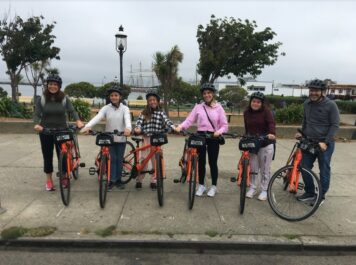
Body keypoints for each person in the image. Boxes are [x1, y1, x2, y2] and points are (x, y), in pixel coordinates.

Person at [175, 83, 228, 197]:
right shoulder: (198, 107)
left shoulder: (219, 107)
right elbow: (189, 120)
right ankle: (202, 185)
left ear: (213, 94)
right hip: (200, 136)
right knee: (201, 162)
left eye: (209, 93)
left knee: (212, 162)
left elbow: (224, 125)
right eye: (204, 93)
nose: (206, 95)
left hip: (213, 136)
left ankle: (213, 186)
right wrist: (181, 127)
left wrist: (219, 131)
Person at [34, 75, 84, 191]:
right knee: (47, 156)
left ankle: (64, 176)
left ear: (59, 86)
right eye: (50, 84)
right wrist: (37, 124)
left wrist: (78, 121)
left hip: (62, 130)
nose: (52, 86)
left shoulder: (64, 98)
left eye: (55, 84)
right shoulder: (42, 98)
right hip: (46, 131)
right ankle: (49, 180)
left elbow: (72, 111)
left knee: (63, 155)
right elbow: (36, 114)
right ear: (47, 85)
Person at [296, 79, 340, 205]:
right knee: (304, 167)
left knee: (324, 170)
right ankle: (309, 192)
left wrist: (326, 142)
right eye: (311, 90)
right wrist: (302, 133)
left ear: (322, 92)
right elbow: (306, 121)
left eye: (316, 90)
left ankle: (321, 195)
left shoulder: (331, 105)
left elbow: (335, 125)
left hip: (324, 144)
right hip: (309, 141)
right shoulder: (307, 104)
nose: (313, 93)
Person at [81, 86, 132, 191]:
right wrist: (88, 126)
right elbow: (98, 117)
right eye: (112, 95)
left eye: (116, 95)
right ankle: (112, 180)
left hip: (121, 138)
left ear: (120, 97)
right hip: (109, 139)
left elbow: (127, 119)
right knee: (112, 160)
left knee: (119, 160)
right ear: (110, 97)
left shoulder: (125, 108)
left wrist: (128, 128)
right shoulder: (106, 108)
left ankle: (118, 180)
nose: (114, 97)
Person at [134, 90, 175, 190]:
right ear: (147, 102)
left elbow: (167, 121)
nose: (152, 102)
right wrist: (138, 128)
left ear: (158, 101)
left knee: (156, 161)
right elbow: (138, 123)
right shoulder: (144, 113)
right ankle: (139, 179)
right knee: (144, 160)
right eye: (150, 100)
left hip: (157, 139)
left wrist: (173, 127)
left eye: (154, 100)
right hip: (146, 139)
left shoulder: (161, 112)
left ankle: (154, 180)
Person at [244, 92, 276, 201]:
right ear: (250, 102)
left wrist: (271, 133)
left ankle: (264, 189)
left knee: (264, 169)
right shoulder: (246, 112)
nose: (255, 104)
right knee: (253, 168)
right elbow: (247, 127)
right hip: (253, 143)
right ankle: (253, 187)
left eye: (258, 102)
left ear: (262, 103)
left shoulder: (267, 112)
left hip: (265, 144)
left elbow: (271, 123)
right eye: (254, 101)